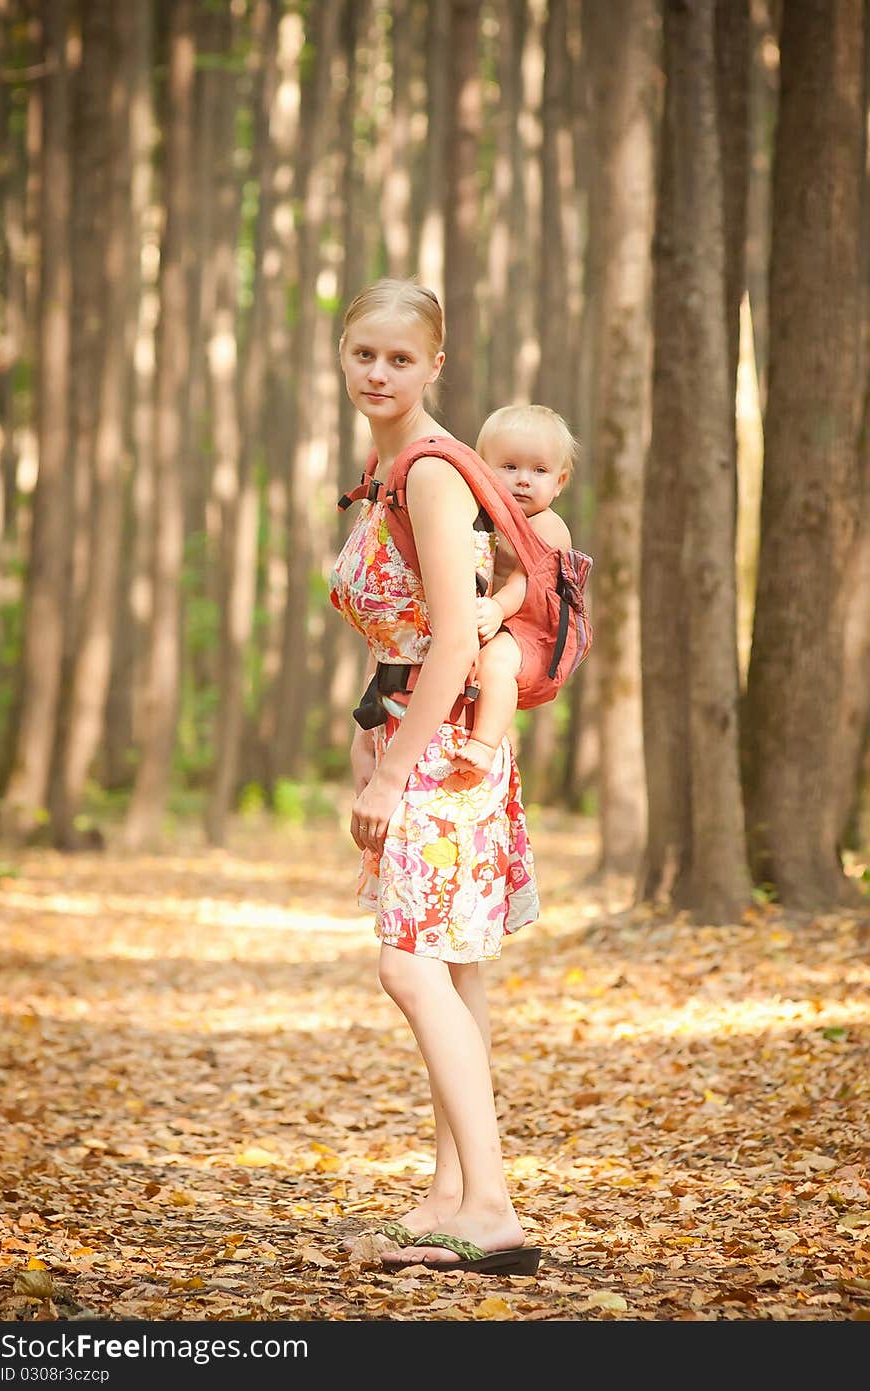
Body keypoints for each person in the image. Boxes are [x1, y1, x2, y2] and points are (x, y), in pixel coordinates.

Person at [328, 278, 542, 1275]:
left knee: (407, 963)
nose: (379, 371)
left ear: (433, 366)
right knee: (452, 968)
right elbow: (399, 635)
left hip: (447, 752)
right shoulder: (384, 472)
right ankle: (450, 1192)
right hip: (432, 741)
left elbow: (456, 637)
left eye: (400, 358)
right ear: (343, 354)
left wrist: (388, 777)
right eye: (364, 353)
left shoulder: (428, 470)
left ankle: (491, 1205)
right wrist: (365, 746)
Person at [449, 403, 577, 786]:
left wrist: (496, 608)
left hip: (536, 628)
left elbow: (524, 582)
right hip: (500, 618)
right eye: (509, 467)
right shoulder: (483, 517)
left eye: (539, 471)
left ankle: (486, 745)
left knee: (495, 663)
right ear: (484, 472)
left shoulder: (548, 525)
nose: (524, 480)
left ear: (560, 481)